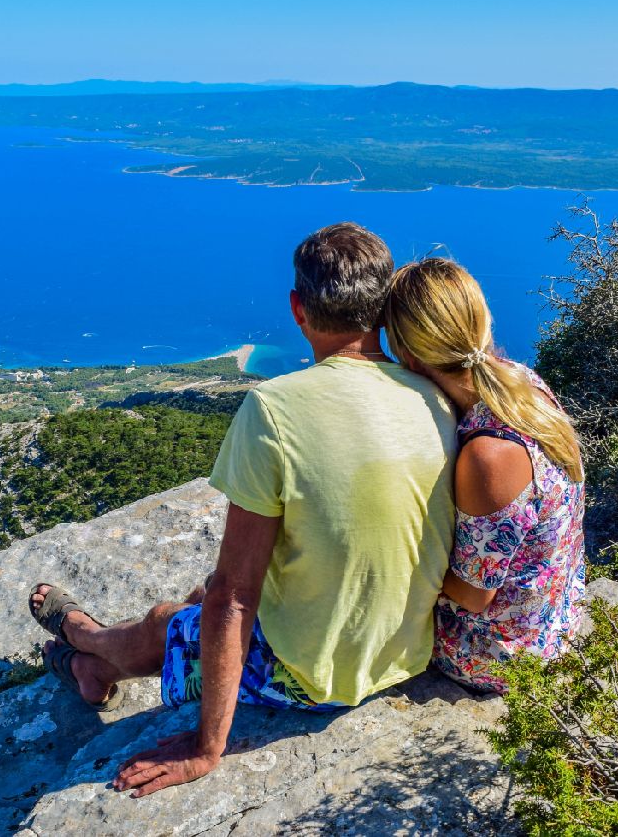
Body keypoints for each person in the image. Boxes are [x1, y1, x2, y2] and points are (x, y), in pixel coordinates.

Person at [28, 223, 456, 796]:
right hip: (407, 651)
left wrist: (207, 749)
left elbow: (236, 594)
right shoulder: (436, 396)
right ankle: (95, 656)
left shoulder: (275, 409)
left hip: (320, 677)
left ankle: (90, 652)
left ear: (298, 310)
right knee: (198, 600)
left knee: (177, 617)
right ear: (382, 307)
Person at [383, 257, 586, 693]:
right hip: (556, 616)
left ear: (410, 355)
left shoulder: (489, 457)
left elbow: (475, 595)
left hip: (500, 652)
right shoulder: (521, 383)